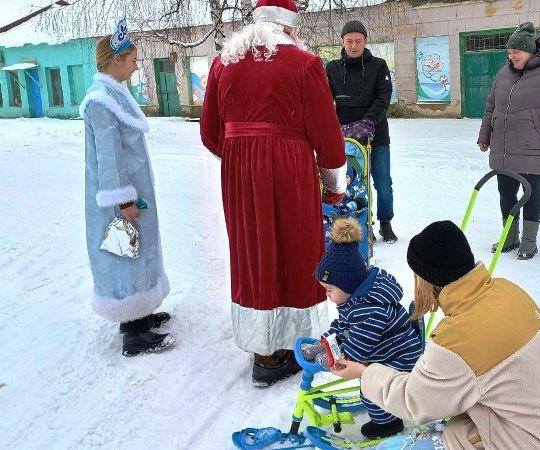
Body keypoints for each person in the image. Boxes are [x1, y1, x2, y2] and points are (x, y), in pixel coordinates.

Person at [331, 221, 540, 449]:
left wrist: (365, 373)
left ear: (426, 279)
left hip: (529, 441)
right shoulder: (507, 290)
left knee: (443, 438)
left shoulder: (457, 339)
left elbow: (413, 402)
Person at [200, 0, 347, 387]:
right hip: (290, 169)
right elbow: (328, 137)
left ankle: (263, 351)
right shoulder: (304, 63)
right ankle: (292, 343)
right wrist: (333, 185)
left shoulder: (223, 63)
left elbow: (210, 133)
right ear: (290, 25)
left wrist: (241, 156)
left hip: (239, 174)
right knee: (296, 247)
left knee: (253, 250)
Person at [81, 24, 174, 356]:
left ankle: (140, 314)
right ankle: (133, 333)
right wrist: (123, 200)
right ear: (117, 61)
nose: (137, 66)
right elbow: (109, 158)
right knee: (126, 252)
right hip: (121, 196)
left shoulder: (114, 94)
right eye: (133, 60)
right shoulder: (101, 101)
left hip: (132, 191)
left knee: (139, 248)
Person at [312, 217, 423, 439]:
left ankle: (387, 423)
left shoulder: (369, 311)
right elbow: (343, 326)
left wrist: (331, 358)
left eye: (329, 289)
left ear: (348, 285)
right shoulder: (354, 300)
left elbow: (357, 353)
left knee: (369, 387)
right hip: (386, 349)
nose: (327, 294)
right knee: (368, 377)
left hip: (399, 358)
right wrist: (323, 343)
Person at [477, 22, 540, 260]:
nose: (512, 57)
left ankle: (529, 241)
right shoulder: (503, 73)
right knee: (505, 193)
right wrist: (484, 135)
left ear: (530, 50)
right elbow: (491, 107)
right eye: (509, 53)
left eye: (516, 52)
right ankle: (510, 237)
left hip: (534, 145)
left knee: (530, 192)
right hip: (504, 146)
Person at [325, 20, 398, 244]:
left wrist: (368, 121)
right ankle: (362, 223)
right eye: (349, 41)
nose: (354, 46)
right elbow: (325, 101)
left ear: (365, 41)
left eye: (358, 41)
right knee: (353, 184)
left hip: (376, 136)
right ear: (342, 42)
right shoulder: (333, 69)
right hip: (345, 139)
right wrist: (332, 126)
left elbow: (383, 97)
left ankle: (385, 223)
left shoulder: (379, 65)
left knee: (382, 184)